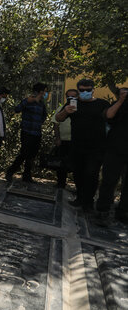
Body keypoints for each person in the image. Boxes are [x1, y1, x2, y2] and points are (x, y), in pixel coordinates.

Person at [56, 79, 110, 211]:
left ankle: (88, 202)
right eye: (82, 90)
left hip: (97, 147)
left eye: (88, 90)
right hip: (77, 146)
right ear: (78, 90)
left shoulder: (102, 104)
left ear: (93, 90)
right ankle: (80, 198)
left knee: (91, 173)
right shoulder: (72, 103)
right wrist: (66, 111)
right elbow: (59, 118)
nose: (85, 92)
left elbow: (110, 119)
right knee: (78, 173)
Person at [96, 87, 128, 224]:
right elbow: (108, 115)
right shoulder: (120, 105)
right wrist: (121, 101)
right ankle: (103, 210)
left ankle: (123, 212)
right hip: (115, 149)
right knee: (109, 181)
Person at [6, 83, 49, 183]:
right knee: (24, 153)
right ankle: (10, 171)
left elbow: (44, 116)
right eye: (44, 91)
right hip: (27, 132)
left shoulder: (41, 103)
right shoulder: (28, 100)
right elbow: (17, 109)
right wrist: (26, 101)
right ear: (40, 91)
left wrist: (38, 123)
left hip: (37, 133)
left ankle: (27, 176)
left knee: (32, 155)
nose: (45, 93)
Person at [52, 89, 78, 188]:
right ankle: (61, 183)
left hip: (77, 142)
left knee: (76, 164)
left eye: (74, 97)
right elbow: (56, 123)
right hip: (63, 141)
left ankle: (78, 186)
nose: (71, 99)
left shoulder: (81, 109)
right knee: (61, 164)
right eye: (69, 97)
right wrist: (57, 138)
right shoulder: (61, 109)